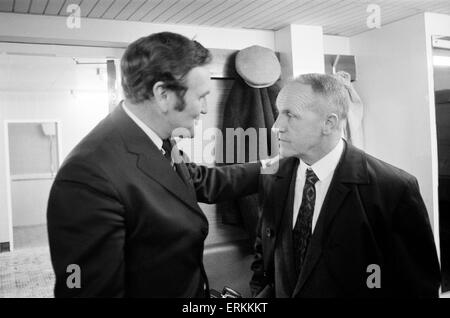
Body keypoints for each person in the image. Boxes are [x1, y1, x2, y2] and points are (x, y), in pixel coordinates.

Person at [47, 32, 261, 297]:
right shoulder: (87, 177)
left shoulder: (158, 142)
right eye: (201, 96)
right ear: (163, 94)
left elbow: (202, 181)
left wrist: (272, 168)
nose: (205, 109)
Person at [250, 73, 441, 298]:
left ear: (328, 123)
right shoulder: (273, 178)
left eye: (290, 115)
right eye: (278, 113)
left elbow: (417, 286)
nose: (276, 126)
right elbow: (264, 258)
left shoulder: (393, 189)